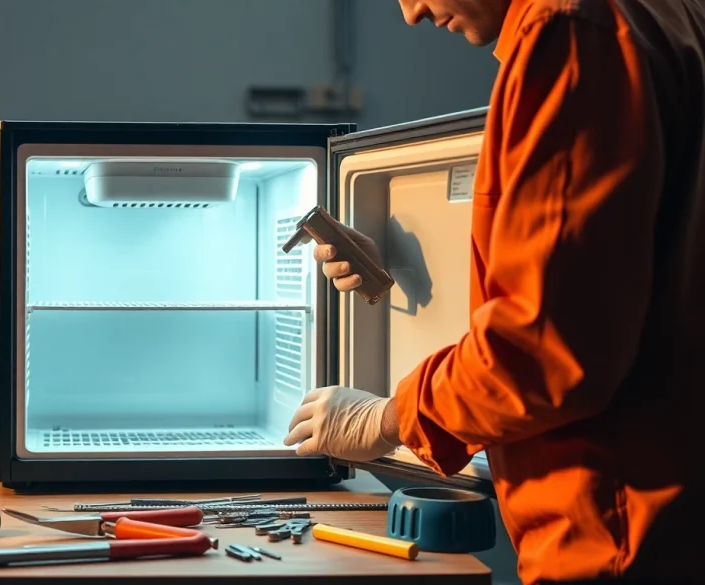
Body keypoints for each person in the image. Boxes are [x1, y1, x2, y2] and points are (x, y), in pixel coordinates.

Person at [283, 1, 705, 584]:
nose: (413, 14)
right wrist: (398, 265)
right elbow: (598, 271)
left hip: (617, 532)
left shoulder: (570, 35)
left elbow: (544, 350)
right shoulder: (658, 15)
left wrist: (389, 418)